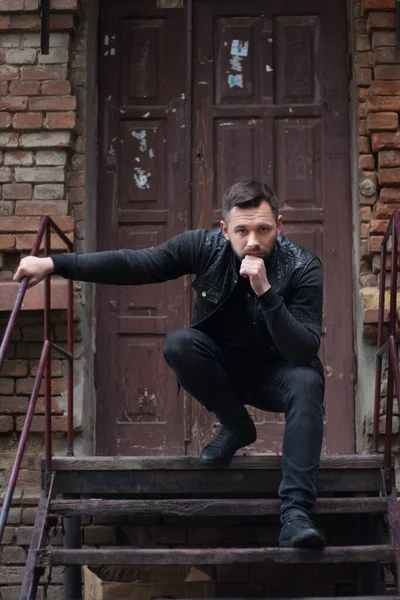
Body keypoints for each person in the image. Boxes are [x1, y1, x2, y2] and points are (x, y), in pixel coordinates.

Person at [13, 180, 325, 548]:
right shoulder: (204, 247)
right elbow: (137, 263)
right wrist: (53, 263)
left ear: (280, 226)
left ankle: (295, 514)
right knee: (181, 344)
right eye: (242, 230)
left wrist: (267, 293)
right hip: (223, 370)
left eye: (263, 229)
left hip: (277, 374)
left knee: (307, 381)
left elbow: (303, 350)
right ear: (225, 230)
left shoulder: (303, 266)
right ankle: (237, 426)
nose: (253, 241)